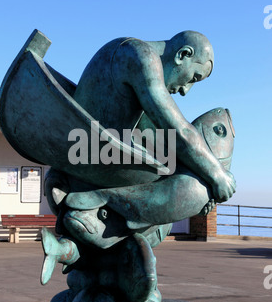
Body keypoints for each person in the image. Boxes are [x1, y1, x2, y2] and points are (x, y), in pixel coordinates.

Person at [74, 30, 236, 203]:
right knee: (190, 184)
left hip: (102, 153)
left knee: (192, 181)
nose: (185, 90)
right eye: (193, 78)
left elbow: (164, 141)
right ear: (183, 55)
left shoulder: (138, 73)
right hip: (91, 155)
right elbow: (180, 131)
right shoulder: (140, 56)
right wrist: (217, 174)